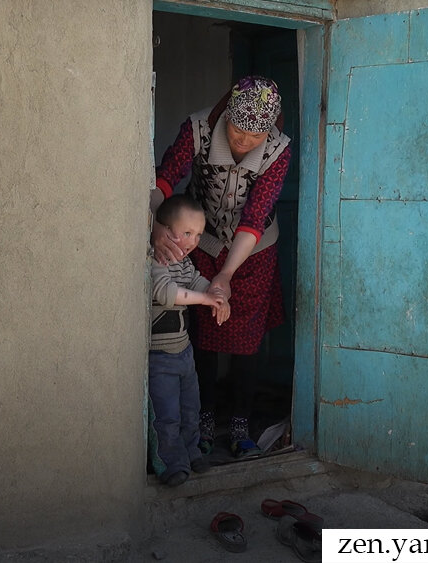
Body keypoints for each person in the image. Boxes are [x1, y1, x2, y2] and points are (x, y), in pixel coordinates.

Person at [151, 75, 291, 459]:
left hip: (255, 248)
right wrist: (155, 227)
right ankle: (205, 419)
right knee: (203, 324)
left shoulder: (278, 149)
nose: (243, 142)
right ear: (226, 114)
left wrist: (227, 275)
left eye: (254, 136)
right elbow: (164, 178)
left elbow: (256, 215)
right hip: (201, 239)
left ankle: (242, 421)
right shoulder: (197, 128)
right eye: (236, 131)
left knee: (246, 336)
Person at [149, 194, 230, 486]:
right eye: (186, 233)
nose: (194, 241)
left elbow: (196, 281)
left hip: (184, 352)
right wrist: (204, 299)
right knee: (165, 414)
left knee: (189, 408)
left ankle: (192, 451)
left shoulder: (184, 263)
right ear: (165, 231)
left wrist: (217, 295)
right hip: (159, 357)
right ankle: (170, 463)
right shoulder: (157, 260)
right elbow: (167, 294)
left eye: (198, 234)